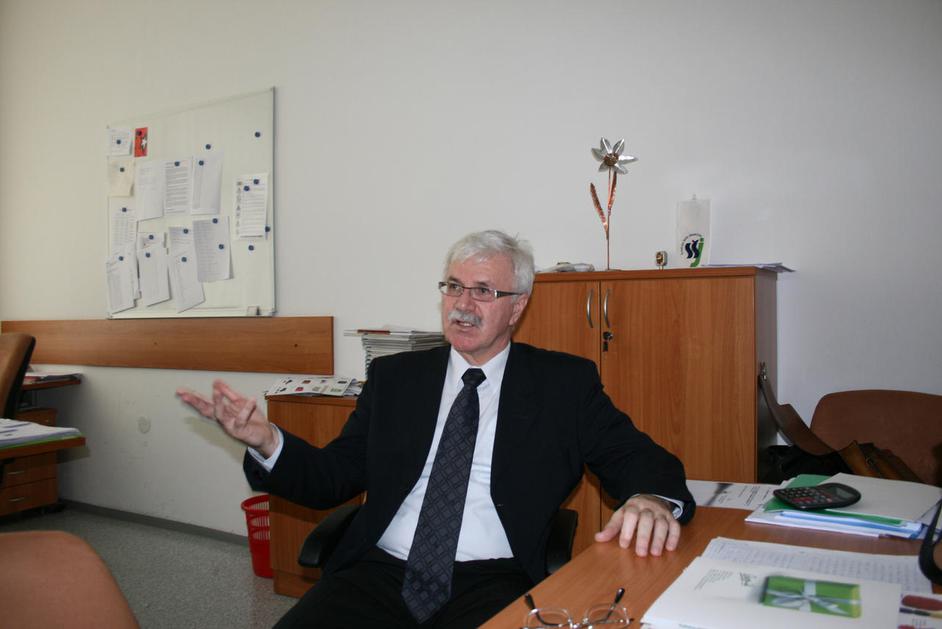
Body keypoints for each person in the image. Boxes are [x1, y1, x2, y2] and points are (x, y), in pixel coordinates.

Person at [177, 230, 694, 628]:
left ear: (517, 306)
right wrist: (267, 441)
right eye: (453, 287)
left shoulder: (563, 384)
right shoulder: (395, 378)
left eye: (483, 291)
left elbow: (636, 456)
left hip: (495, 577)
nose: (462, 305)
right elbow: (333, 476)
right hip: (380, 571)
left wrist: (651, 497)